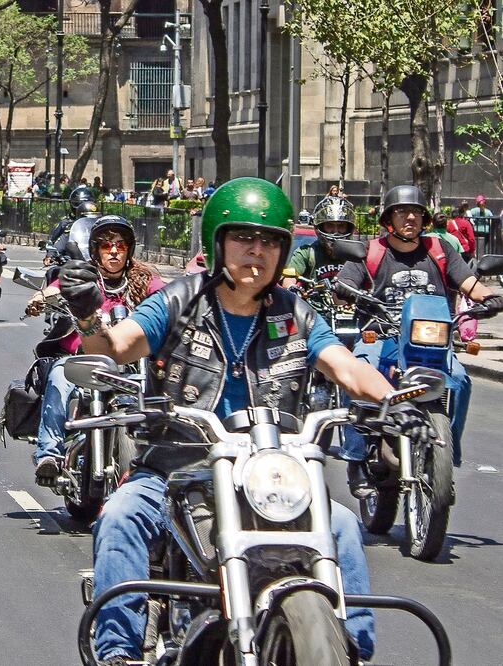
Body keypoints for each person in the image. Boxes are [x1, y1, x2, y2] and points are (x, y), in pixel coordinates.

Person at [57, 178, 440, 663]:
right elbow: (115, 347)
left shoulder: (296, 314)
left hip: (271, 471)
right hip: (178, 466)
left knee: (341, 526)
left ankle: (352, 652)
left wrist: (396, 401)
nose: (256, 252)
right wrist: (89, 316)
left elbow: (346, 366)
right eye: (243, 238)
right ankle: (118, 652)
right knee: (120, 516)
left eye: (270, 242)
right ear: (219, 241)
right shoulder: (180, 301)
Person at [336, 184, 503, 474]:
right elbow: (343, 284)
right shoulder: (371, 252)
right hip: (381, 333)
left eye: (416, 212)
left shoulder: (439, 250)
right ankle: (356, 451)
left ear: (424, 219)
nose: (410, 218)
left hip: (431, 339)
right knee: (359, 369)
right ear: (389, 219)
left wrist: (490, 298)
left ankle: (446, 454)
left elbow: (469, 284)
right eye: (402, 212)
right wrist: (347, 290)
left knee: (461, 381)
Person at [26, 215, 164, 483]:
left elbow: (169, 296)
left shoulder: (143, 280)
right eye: (106, 246)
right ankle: (49, 454)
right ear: (96, 251)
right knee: (58, 376)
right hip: (83, 362)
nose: (114, 251)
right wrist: (40, 299)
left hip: (132, 365)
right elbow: (56, 289)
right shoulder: (83, 277)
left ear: (129, 250)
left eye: (120, 246)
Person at [283, 195, 355, 287]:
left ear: (349, 228)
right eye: (329, 226)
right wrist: (291, 287)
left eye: (341, 226)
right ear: (319, 227)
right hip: (312, 301)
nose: (335, 232)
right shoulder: (306, 253)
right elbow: (289, 278)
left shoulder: (356, 256)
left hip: (348, 301)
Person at [45, 185, 96, 265]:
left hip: (95, 263)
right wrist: (51, 256)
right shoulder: (68, 226)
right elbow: (56, 244)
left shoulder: (101, 226)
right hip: (72, 264)